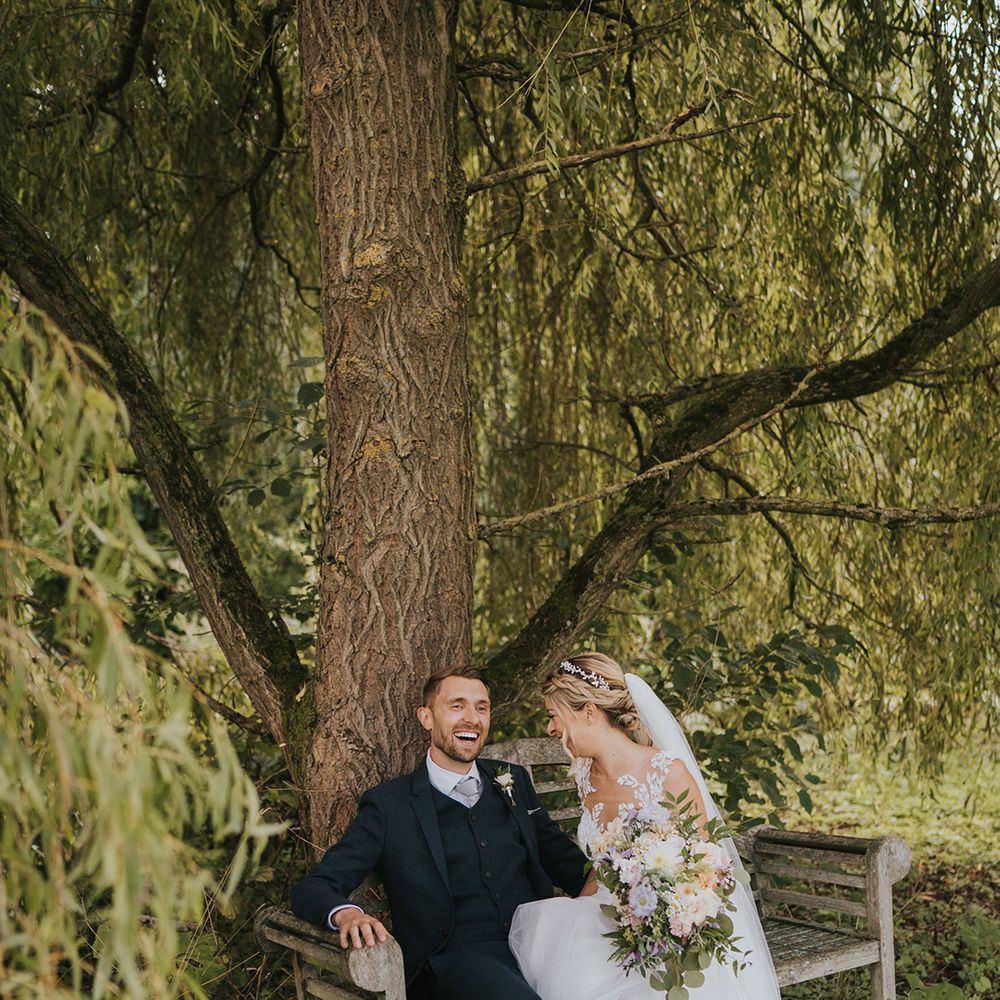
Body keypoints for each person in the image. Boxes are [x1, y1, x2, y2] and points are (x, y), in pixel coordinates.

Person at [291, 664, 589, 1000]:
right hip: (452, 964)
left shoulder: (513, 781)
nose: (472, 719)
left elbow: (570, 865)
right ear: (426, 718)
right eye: (457, 706)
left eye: (481, 707)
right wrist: (346, 914)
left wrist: (633, 893)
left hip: (542, 948)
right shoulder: (390, 805)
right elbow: (314, 887)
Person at [509, 652, 781, 1000]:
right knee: (562, 947)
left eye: (554, 716)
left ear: (588, 712)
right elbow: (602, 864)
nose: (550, 728)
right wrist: (577, 913)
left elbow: (706, 870)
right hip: (609, 918)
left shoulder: (667, 772)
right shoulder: (583, 776)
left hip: (669, 929)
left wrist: (667, 921)